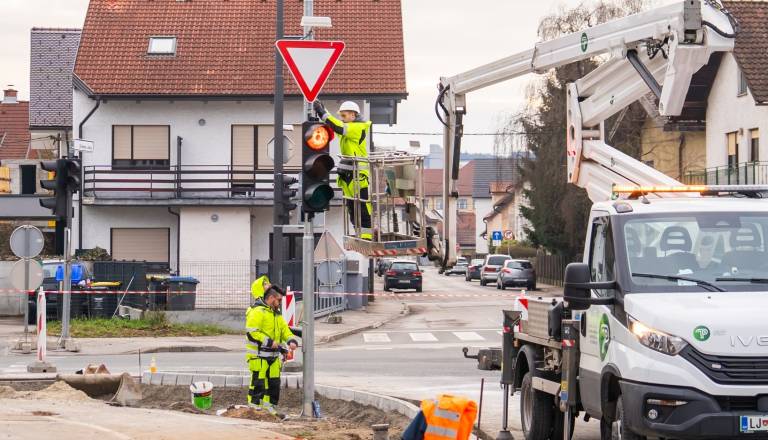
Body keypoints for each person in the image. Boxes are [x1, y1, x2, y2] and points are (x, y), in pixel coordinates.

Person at [313, 100, 373, 240]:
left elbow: (338, 126)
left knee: (362, 206)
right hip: (348, 174)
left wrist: (322, 113)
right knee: (352, 206)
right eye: (341, 116)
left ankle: (366, 235)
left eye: (344, 115)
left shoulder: (357, 127)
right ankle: (359, 233)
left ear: (353, 115)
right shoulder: (348, 128)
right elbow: (335, 125)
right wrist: (325, 111)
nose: (342, 118)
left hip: (358, 175)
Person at [244, 285, 298, 415]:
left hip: (273, 357)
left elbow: (284, 330)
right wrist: (269, 342)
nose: (280, 303)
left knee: (274, 385)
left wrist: (291, 340)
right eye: (279, 300)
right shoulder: (257, 311)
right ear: (272, 298)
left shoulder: (276, 314)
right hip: (258, 356)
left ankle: (270, 410)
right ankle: (254, 410)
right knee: (258, 384)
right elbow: (252, 332)